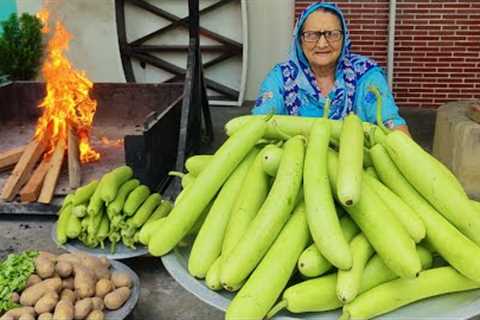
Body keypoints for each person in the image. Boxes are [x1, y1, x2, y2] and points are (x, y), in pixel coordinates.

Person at [252, 2, 410, 135]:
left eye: (332, 34)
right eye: (311, 35)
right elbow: (258, 124)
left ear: (344, 38)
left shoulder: (366, 75)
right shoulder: (281, 77)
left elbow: (392, 124)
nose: (322, 44)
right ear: (299, 40)